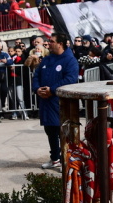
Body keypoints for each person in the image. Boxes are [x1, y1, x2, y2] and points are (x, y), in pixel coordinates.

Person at [33, 32, 79, 171]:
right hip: (46, 103)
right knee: (50, 131)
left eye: (51, 41)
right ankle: (54, 159)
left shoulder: (70, 60)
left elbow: (70, 79)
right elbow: (36, 76)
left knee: (62, 132)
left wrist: (52, 90)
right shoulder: (47, 59)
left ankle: (66, 159)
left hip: (60, 103)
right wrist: (37, 89)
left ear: (60, 44)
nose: (48, 43)